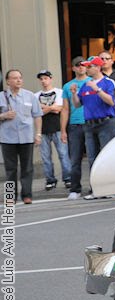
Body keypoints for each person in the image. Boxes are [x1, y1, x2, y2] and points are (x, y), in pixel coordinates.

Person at [70, 56, 115, 200]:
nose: (86, 69)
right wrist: (73, 94)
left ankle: (109, 188)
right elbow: (78, 104)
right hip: (89, 124)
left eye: (89, 66)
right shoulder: (85, 85)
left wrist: (97, 90)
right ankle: (95, 189)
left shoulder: (108, 82)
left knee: (106, 156)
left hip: (105, 122)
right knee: (92, 158)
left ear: (97, 67)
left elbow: (111, 101)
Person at [0, 69, 42, 204]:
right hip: (7, 138)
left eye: (20, 78)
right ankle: (10, 196)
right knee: (10, 169)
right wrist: (3, 116)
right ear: (8, 81)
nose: (18, 80)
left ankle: (27, 195)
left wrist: (38, 134)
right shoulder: (1, 96)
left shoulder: (30, 96)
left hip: (26, 137)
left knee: (27, 168)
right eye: (14, 78)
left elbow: (37, 116)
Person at [36, 69, 71, 191]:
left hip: (57, 127)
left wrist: (45, 108)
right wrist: (52, 108)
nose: (44, 81)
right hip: (43, 129)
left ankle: (68, 178)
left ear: (51, 79)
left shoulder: (59, 92)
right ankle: (50, 180)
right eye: (41, 79)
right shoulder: (36, 95)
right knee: (46, 157)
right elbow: (37, 113)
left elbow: (60, 109)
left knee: (63, 154)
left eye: (46, 78)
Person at [61, 56, 90, 200]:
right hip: (74, 124)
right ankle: (75, 189)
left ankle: (95, 187)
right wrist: (63, 130)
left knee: (93, 157)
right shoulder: (67, 86)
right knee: (75, 159)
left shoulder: (91, 82)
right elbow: (65, 109)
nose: (81, 67)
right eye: (77, 65)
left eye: (83, 65)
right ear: (73, 68)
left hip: (91, 122)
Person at [98, 51, 115, 132]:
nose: (104, 60)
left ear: (112, 61)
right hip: (101, 115)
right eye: (101, 59)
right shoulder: (94, 78)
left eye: (107, 59)